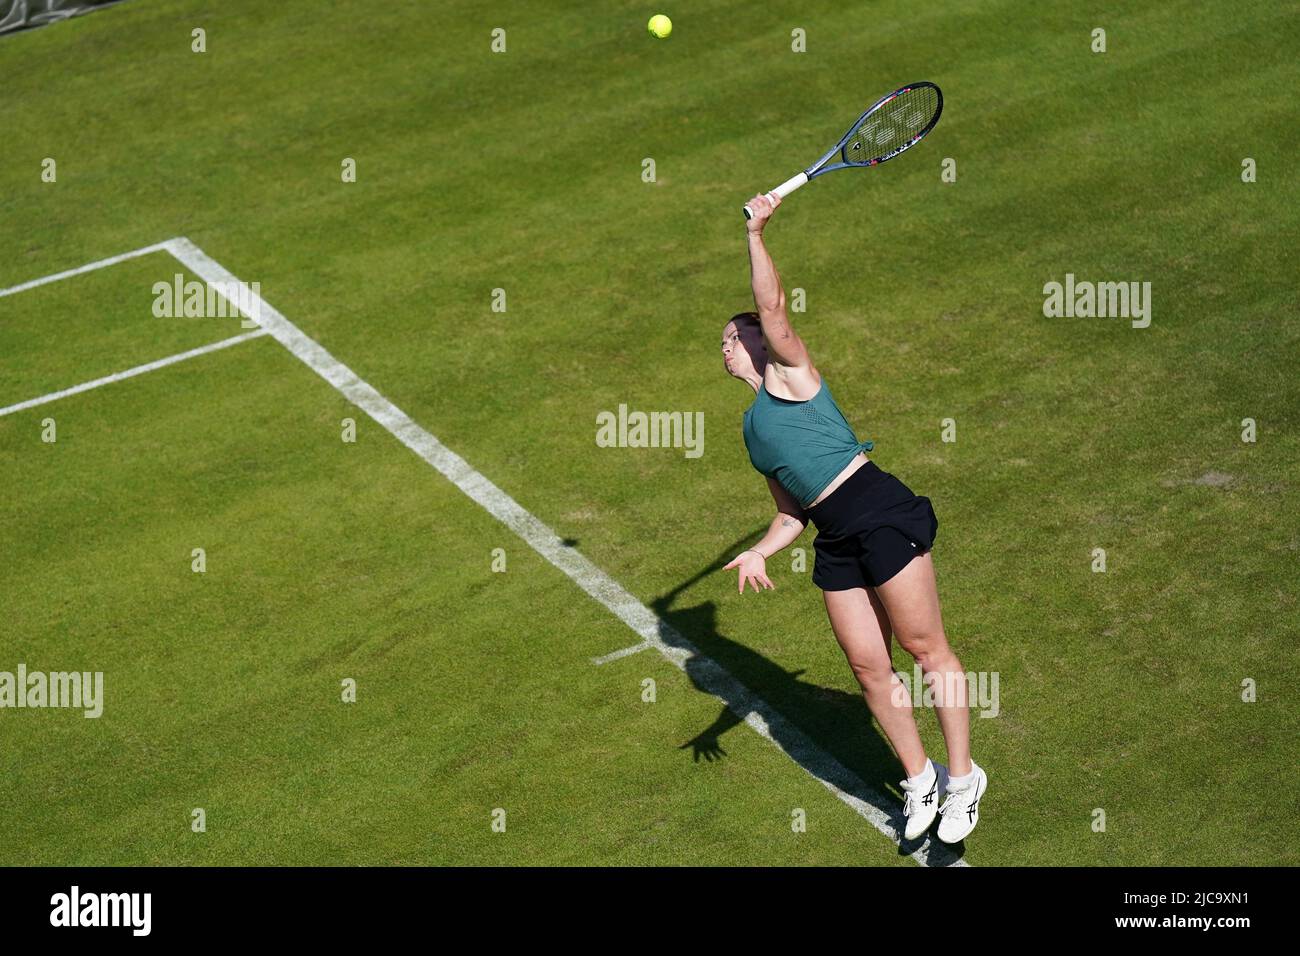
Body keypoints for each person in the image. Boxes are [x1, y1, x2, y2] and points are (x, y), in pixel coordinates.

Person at [721, 191, 987, 844]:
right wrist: (760, 550)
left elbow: (772, 307)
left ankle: (963, 780)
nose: (726, 344)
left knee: (925, 649)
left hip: (879, 510)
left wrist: (756, 235)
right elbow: (792, 514)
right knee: (869, 666)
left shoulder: (791, 375)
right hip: (834, 535)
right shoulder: (753, 430)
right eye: (724, 340)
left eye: (735, 334)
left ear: (761, 342)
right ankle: (920, 779)